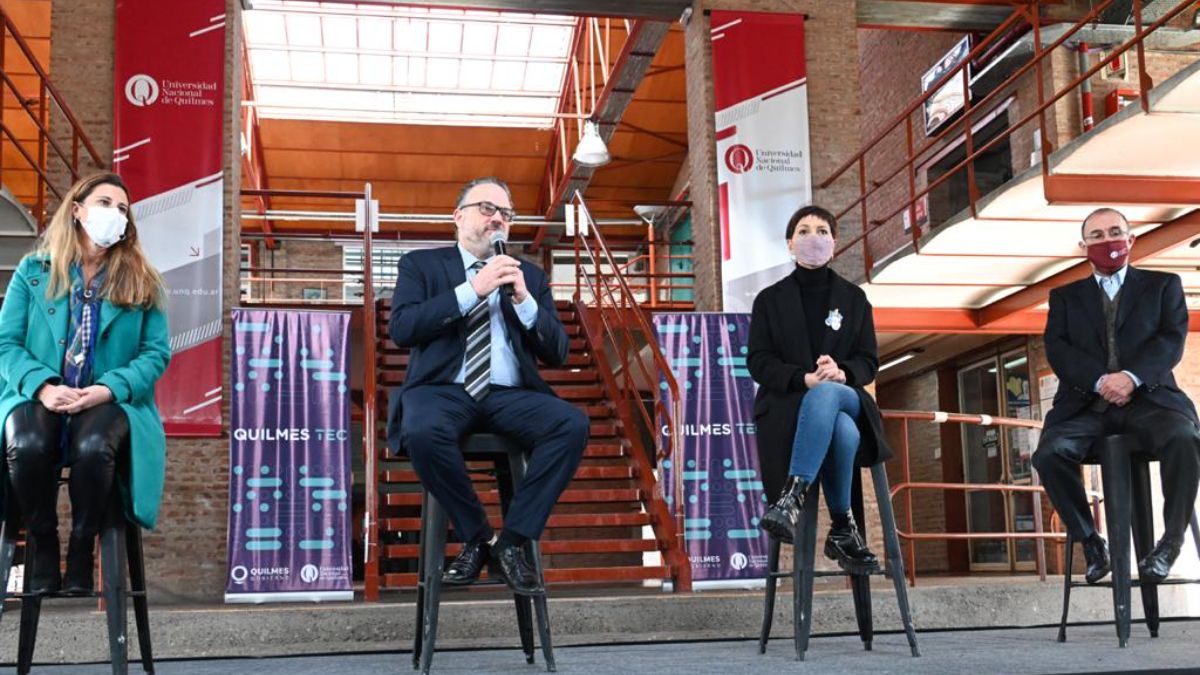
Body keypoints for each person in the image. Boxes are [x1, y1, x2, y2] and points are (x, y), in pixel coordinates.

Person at [385, 177, 589, 595]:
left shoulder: (530, 276)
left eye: (506, 214)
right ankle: (480, 538)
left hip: (508, 394)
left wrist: (524, 301)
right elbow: (403, 329)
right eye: (487, 208)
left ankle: (510, 545)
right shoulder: (420, 265)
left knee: (571, 424)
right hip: (443, 389)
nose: (497, 218)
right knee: (422, 429)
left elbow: (558, 352)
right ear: (458, 217)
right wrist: (472, 290)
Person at [0, 172, 170, 595]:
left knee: (95, 447)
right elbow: (6, 343)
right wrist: (43, 388)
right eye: (105, 203)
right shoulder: (33, 271)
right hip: (38, 395)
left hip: (109, 402)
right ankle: (42, 543)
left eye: (123, 209)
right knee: (28, 443)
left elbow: (155, 354)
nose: (115, 214)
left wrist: (107, 389)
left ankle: (81, 547)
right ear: (77, 210)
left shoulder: (144, 280)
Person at [1033, 207, 1200, 585]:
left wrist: (1130, 378)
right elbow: (1058, 349)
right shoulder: (1064, 297)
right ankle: (1091, 541)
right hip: (1086, 407)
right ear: (1083, 246)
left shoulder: (1163, 285)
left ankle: (1170, 544)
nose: (1107, 241)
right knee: (1049, 454)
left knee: (1184, 437)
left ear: (1131, 239)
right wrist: (1100, 382)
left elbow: (1171, 340)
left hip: (1151, 401)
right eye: (1096, 236)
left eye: (1114, 232)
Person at [747, 205, 892, 573]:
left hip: (845, 396)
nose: (814, 237)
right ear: (790, 243)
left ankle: (791, 499)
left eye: (822, 231)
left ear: (835, 243)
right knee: (841, 428)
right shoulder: (769, 300)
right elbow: (759, 361)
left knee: (828, 396)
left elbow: (868, 360)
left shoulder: (854, 299)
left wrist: (841, 372)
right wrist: (804, 379)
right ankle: (843, 527)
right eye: (804, 230)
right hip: (789, 405)